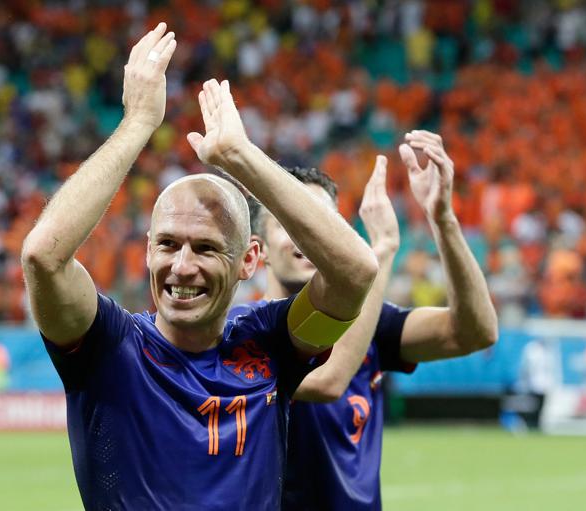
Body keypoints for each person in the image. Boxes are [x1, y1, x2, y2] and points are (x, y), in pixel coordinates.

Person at [20, 23, 378, 510]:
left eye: (206, 249)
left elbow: (356, 271)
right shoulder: (108, 347)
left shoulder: (271, 344)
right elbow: (43, 256)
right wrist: (136, 125)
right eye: (167, 244)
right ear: (147, 250)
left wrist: (241, 157)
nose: (181, 267)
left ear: (249, 259)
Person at [234, 133, 498, 510]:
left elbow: (476, 331)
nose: (309, 236)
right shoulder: (244, 333)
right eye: (291, 222)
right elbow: (329, 380)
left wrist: (443, 219)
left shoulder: (375, 319)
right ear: (258, 251)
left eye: (320, 221)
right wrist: (382, 252)